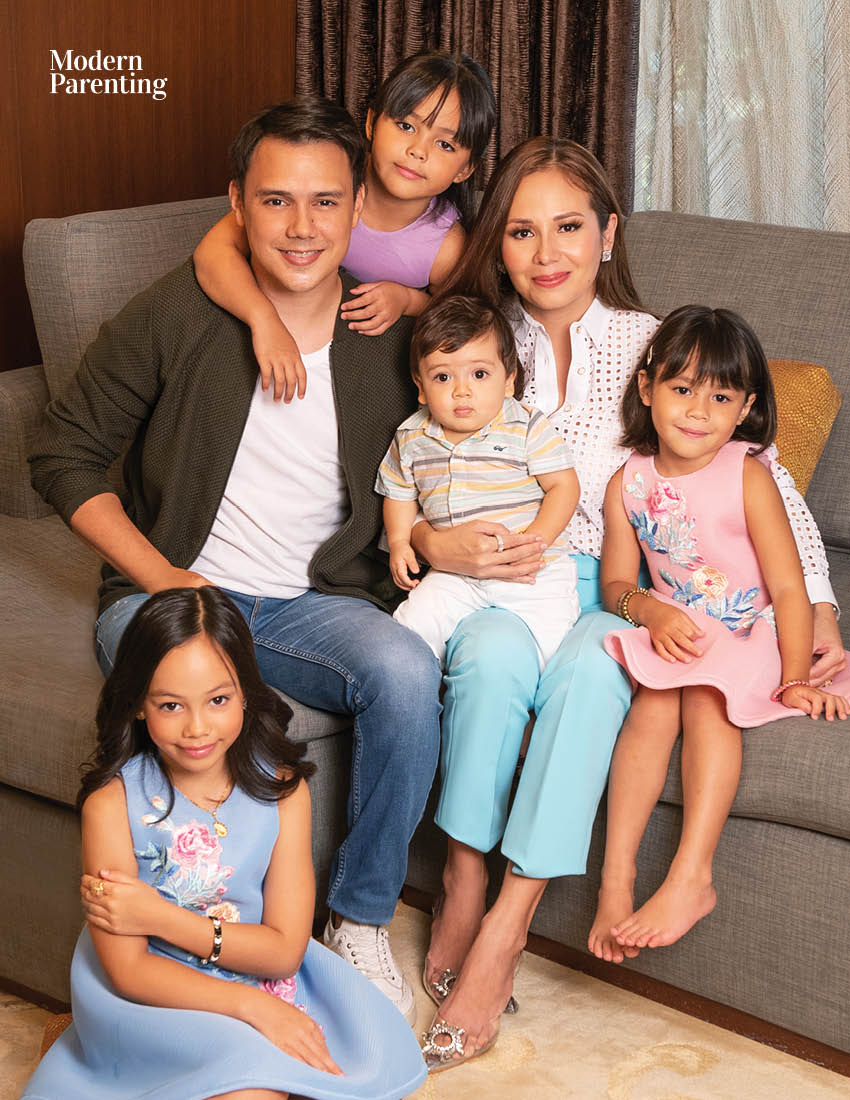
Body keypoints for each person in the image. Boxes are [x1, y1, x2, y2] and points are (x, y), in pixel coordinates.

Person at [408, 137, 847, 1071]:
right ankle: (461, 880)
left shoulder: (652, 345)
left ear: (607, 235)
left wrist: (819, 616)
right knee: (487, 660)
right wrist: (426, 543)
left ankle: (506, 929)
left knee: (591, 677)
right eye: (521, 232)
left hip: (617, 592)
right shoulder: (482, 342)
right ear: (497, 245)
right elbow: (419, 452)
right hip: (503, 580)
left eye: (569, 227)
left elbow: (764, 484)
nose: (547, 252)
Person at [29, 97, 442, 1025]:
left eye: (326, 202)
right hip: (172, 594)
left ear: (357, 206)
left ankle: (358, 919)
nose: (302, 228)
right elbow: (61, 451)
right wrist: (162, 578)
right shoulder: (180, 310)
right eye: (275, 201)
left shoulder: (387, 331)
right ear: (236, 204)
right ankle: (191, 959)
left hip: (311, 604)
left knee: (409, 672)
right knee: (205, 698)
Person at [21, 587, 427, 1100]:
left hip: (253, 973)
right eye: (171, 705)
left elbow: (283, 952)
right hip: (148, 999)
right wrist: (251, 1009)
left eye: (218, 700)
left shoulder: (283, 791)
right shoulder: (111, 805)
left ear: (246, 694)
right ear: (139, 705)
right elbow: (128, 969)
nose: (197, 728)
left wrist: (161, 918)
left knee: (333, 1071)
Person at [588, 306, 850, 961]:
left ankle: (691, 876)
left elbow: (788, 587)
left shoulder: (747, 472)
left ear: (745, 409)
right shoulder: (628, 482)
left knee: (707, 701)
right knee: (651, 708)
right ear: (647, 388)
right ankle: (616, 881)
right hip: (682, 631)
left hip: (753, 632)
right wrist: (648, 611)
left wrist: (795, 676)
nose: (698, 411)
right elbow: (615, 583)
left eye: (721, 397)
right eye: (682, 389)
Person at [193, 50, 496, 402]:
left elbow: (460, 319)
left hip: (357, 371)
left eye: (444, 144)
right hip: (273, 328)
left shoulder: (446, 245)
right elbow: (212, 252)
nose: (418, 150)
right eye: (406, 126)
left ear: (465, 169)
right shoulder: (327, 176)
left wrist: (408, 300)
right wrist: (264, 320)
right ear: (371, 123)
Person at [376, 294, 580, 666]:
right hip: (454, 573)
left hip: (531, 572)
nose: (461, 390)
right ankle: (418, 683)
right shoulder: (411, 436)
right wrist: (400, 541)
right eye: (442, 377)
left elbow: (563, 486)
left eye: (479, 374)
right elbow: (400, 495)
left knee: (549, 647)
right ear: (420, 386)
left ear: (509, 379)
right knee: (408, 630)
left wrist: (535, 541)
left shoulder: (525, 425)